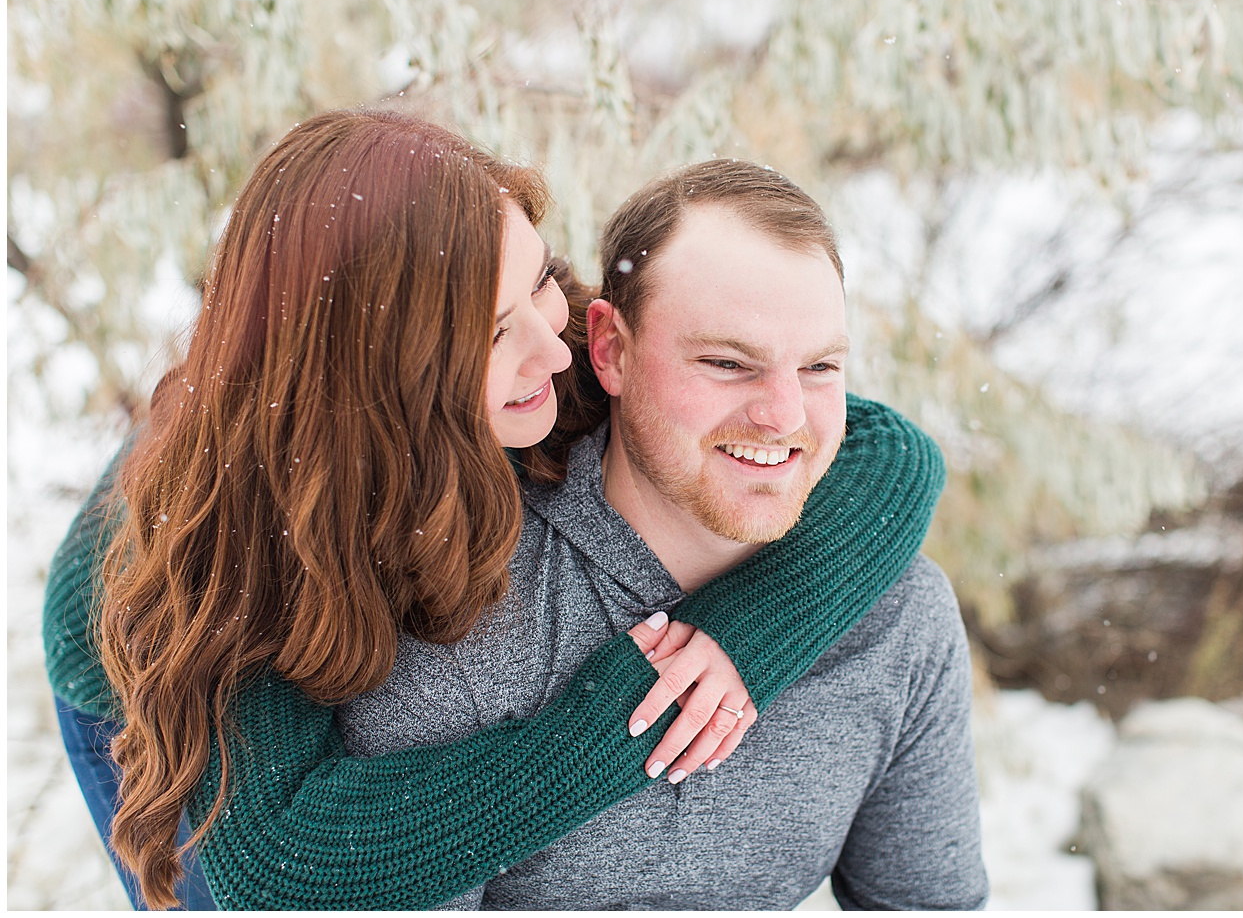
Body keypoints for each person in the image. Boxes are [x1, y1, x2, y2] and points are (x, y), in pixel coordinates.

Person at [42, 110, 949, 909]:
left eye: (541, 283)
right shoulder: (252, 544)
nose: (551, 350)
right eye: (491, 331)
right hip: (148, 671)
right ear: (386, 373)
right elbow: (282, 866)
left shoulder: (559, 348)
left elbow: (888, 453)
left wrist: (747, 637)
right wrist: (624, 722)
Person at [339, 158, 990, 908]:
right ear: (610, 349)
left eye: (819, 366)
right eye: (726, 362)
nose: (783, 416)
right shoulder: (461, 610)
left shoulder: (898, 616)